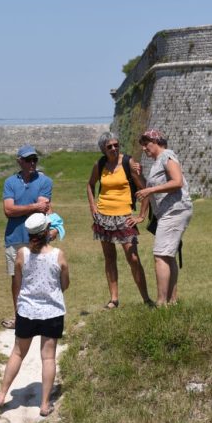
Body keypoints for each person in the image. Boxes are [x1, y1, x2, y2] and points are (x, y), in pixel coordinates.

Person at [0, 213, 69, 417]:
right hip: (52, 311)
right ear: (47, 230)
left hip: (27, 311)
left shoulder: (22, 253)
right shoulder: (58, 254)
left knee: (17, 352)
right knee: (48, 357)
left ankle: (2, 395)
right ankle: (44, 404)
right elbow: (65, 283)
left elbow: (18, 281)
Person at [87, 131, 153, 309]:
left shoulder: (128, 162)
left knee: (133, 258)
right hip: (104, 217)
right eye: (110, 147)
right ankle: (114, 299)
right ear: (103, 149)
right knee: (109, 258)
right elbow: (90, 184)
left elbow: (144, 188)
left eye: (116, 145)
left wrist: (141, 215)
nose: (114, 149)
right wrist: (93, 206)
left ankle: (146, 299)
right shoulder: (100, 164)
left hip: (124, 217)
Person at [135, 129, 193, 307]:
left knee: (160, 255)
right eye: (143, 145)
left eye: (147, 143)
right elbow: (153, 185)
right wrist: (140, 176)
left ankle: (161, 303)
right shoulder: (157, 162)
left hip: (174, 211)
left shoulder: (167, 155)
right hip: (170, 212)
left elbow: (177, 182)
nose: (144, 148)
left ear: (157, 141)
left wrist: (150, 190)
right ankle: (172, 301)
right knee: (167, 256)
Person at [1, 145, 54, 329]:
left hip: (36, 238)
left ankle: (39, 316)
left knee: (38, 277)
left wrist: (22, 209)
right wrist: (33, 207)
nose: (32, 163)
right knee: (17, 279)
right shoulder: (9, 182)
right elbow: (8, 210)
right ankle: (20, 318)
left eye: (34, 159)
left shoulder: (45, 181)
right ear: (19, 161)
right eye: (28, 159)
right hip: (14, 237)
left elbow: (44, 208)